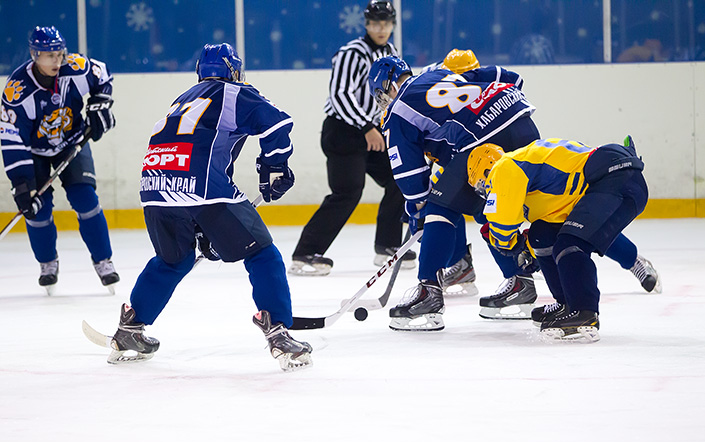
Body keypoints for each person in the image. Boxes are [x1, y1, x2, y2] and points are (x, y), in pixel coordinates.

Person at [105, 43, 312, 372]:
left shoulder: (182, 99)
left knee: (173, 260)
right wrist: (274, 167)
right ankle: (278, 333)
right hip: (203, 188)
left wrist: (203, 227)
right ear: (234, 71)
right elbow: (278, 123)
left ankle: (130, 329)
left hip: (154, 186)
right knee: (262, 254)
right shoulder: (233, 92)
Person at [368, 55, 542, 331]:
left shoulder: (398, 110)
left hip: (482, 140)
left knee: (440, 206)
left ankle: (428, 292)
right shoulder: (436, 74)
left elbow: (409, 174)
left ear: (388, 87)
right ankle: (520, 282)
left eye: (381, 95)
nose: (383, 102)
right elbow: (510, 77)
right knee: (485, 208)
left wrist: (417, 210)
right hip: (521, 121)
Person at [468, 137, 652, 343]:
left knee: (571, 243)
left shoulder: (504, 168)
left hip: (616, 179)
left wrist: (505, 243)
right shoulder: (532, 179)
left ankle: (584, 312)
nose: (486, 193)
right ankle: (567, 303)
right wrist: (527, 248)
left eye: (482, 186)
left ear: (487, 171)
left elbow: (503, 225)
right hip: (612, 180)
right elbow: (553, 223)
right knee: (542, 235)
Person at [289, 0, 414, 276]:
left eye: (386, 23)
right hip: (344, 132)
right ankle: (305, 253)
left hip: (372, 131)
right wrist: (366, 127)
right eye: (375, 23)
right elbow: (340, 94)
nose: (381, 29)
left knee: (400, 177)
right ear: (367, 25)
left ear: (392, 25)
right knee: (347, 192)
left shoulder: (391, 52)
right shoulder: (351, 53)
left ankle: (387, 246)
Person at [0, 26, 119, 294]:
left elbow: (102, 74)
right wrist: (22, 184)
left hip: (71, 142)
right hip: (34, 153)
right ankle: (47, 264)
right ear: (34, 55)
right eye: (49, 55)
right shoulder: (17, 91)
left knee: (86, 199)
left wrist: (100, 104)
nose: (57, 60)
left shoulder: (75, 68)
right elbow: (12, 140)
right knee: (37, 211)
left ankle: (104, 261)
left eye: (59, 53)